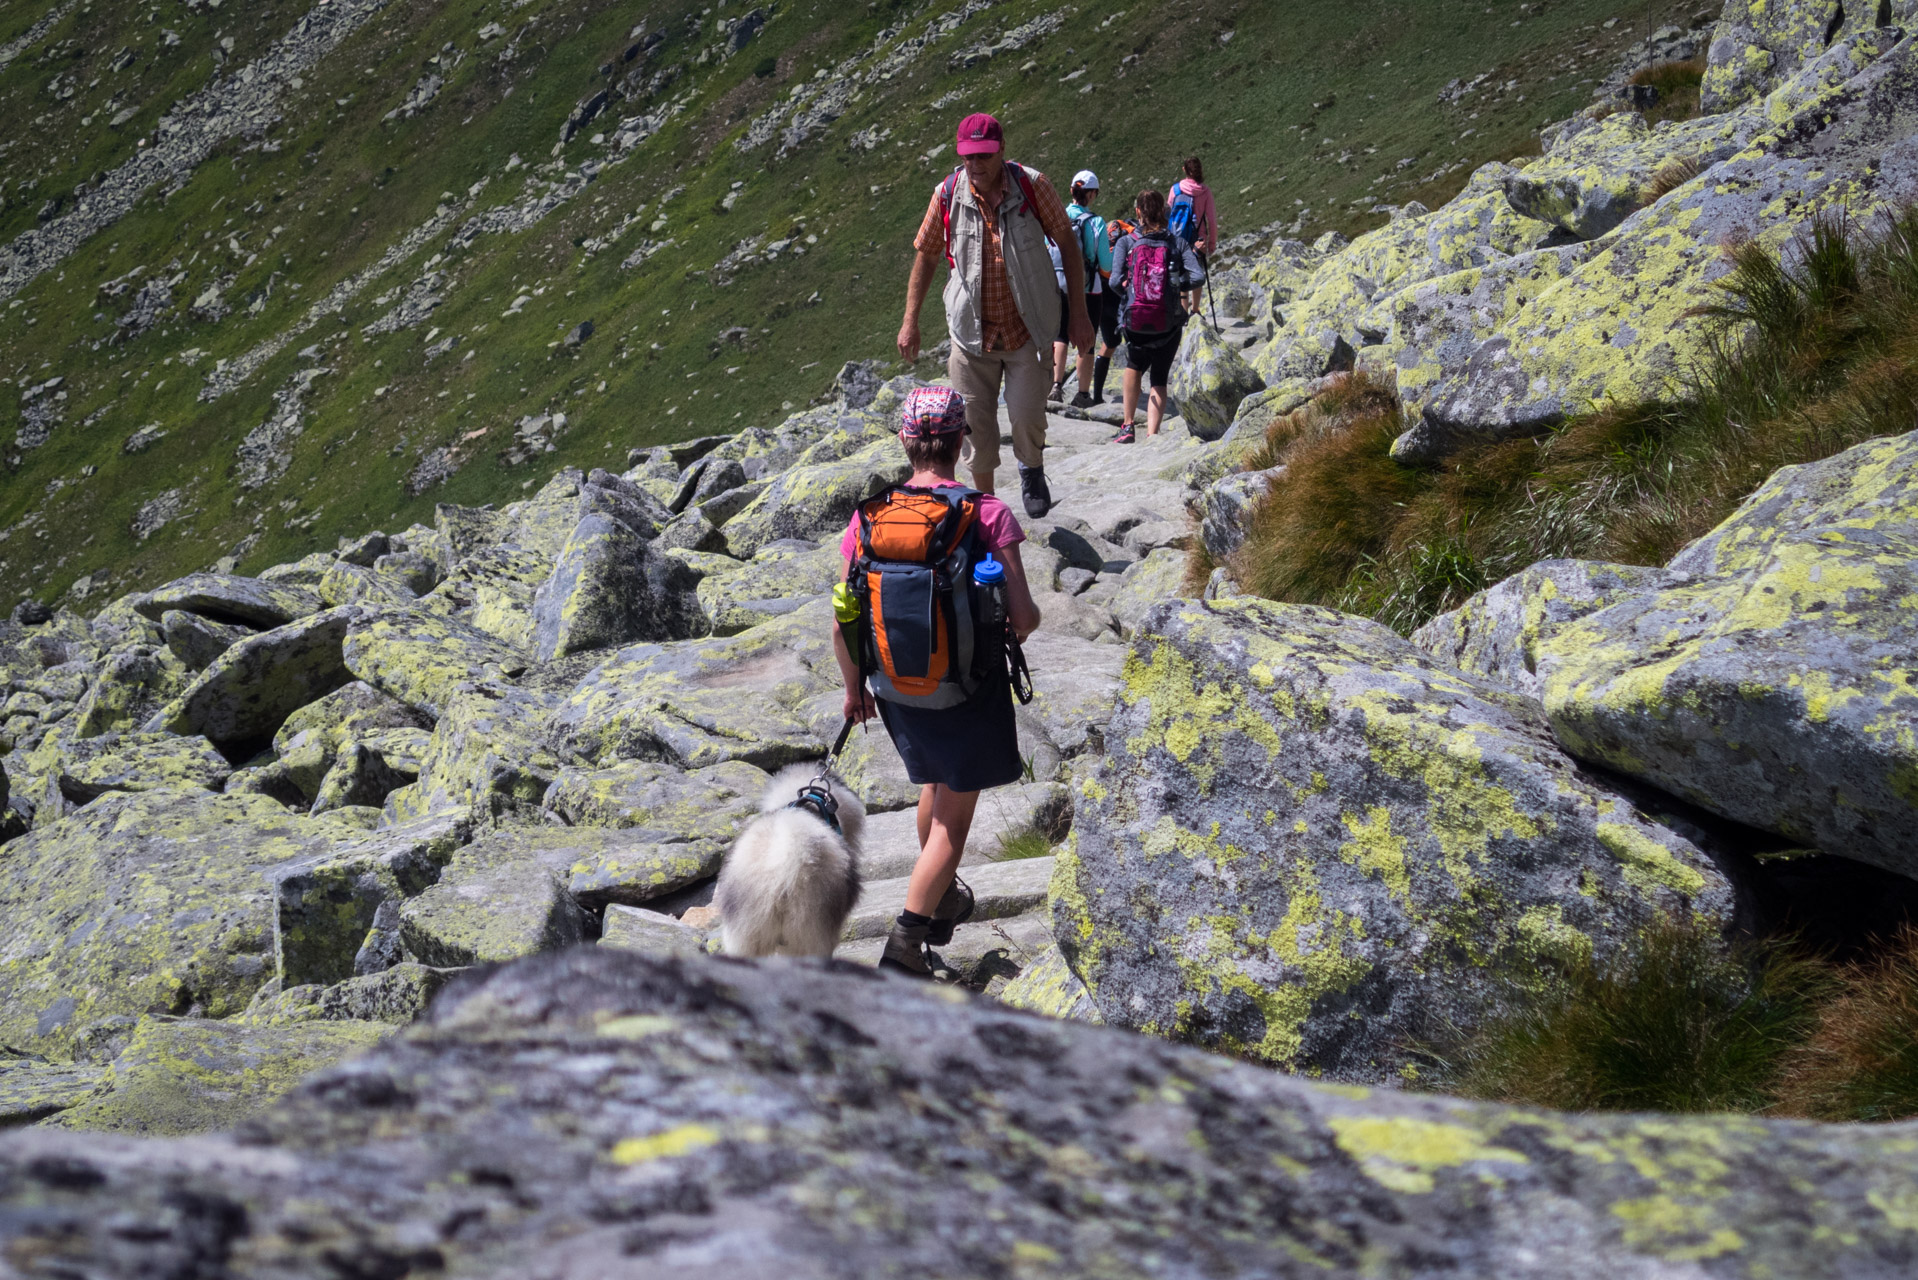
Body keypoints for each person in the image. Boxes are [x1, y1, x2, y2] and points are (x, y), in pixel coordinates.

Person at [835, 387, 1042, 977]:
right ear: (962, 440)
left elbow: (843, 616)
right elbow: (1023, 619)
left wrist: (854, 692)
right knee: (953, 821)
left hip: (893, 688)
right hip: (968, 687)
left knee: (932, 784)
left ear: (906, 441)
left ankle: (941, 897)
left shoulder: (868, 516)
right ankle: (903, 946)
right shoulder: (988, 513)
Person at [898, 112, 1093, 518]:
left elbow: (1068, 246)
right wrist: (910, 320)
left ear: (1001, 150)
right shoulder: (948, 193)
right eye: (968, 156)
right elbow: (928, 254)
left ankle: (1031, 467)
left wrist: (1079, 314)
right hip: (971, 339)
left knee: (1026, 417)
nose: (976, 164)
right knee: (974, 432)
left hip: (1027, 331)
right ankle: (985, 511)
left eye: (984, 155)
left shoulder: (1033, 186)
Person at [1109, 189, 1205, 444]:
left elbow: (1114, 282)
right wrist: (1175, 286)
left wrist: (1131, 293)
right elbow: (1198, 277)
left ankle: (1128, 426)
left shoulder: (1126, 242)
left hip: (1135, 321)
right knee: (1159, 377)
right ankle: (1152, 435)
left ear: (1138, 212)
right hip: (1168, 322)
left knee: (1133, 365)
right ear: (1164, 211)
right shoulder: (1177, 243)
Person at [1065, 170, 1119, 409]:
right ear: (1091, 193)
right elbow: (1106, 265)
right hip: (1090, 289)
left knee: (1057, 336)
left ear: (1071, 192)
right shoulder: (1096, 222)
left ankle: (1054, 386)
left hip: (1060, 286)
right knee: (1087, 340)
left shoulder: (1059, 216)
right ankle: (1083, 394)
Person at [1168, 157, 1218, 317]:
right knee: (1197, 272)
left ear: (1184, 170)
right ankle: (1195, 310)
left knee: (1181, 272)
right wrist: (1212, 243)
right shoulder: (1205, 192)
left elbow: (1169, 212)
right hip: (1199, 239)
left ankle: (1183, 310)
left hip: (1178, 238)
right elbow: (1211, 219)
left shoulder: (1175, 190)